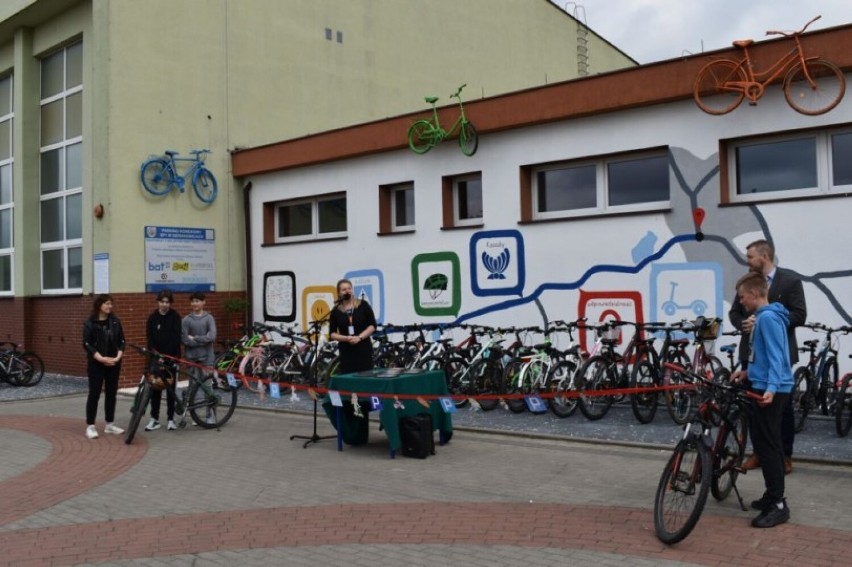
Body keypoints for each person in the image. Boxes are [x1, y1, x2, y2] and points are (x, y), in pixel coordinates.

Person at [729, 239, 805, 474]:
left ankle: (784, 455)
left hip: (779, 353)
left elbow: (799, 314)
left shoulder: (790, 280)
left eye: (750, 256)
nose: (747, 261)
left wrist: (767, 321)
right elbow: (735, 312)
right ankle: (759, 452)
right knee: (753, 405)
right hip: (751, 354)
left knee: (781, 409)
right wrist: (745, 323)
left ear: (764, 256)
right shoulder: (749, 284)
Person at [731, 272, 793, 528]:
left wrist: (771, 387)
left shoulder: (767, 319)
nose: (741, 302)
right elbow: (764, 356)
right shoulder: (764, 318)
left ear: (755, 294)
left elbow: (779, 357)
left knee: (768, 447)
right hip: (763, 384)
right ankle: (771, 496)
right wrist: (747, 371)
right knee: (768, 443)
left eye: (743, 297)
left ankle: (778, 504)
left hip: (771, 391)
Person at [82, 294, 126, 439]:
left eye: (111, 304)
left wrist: (118, 356)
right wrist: (100, 358)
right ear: (99, 305)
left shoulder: (115, 321)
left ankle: (109, 425)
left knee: (111, 394)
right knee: (94, 393)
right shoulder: (90, 323)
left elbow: (122, 341)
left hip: (113, 362)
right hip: (96, 364)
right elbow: (86, 343)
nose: (110, 307)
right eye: (107, 304)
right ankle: (90, 426)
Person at [145, 290, 182, 431]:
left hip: (171, 359)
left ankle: (171, 419)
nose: (164, 304)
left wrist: (169, 357)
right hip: (156, 359)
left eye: (167, 302)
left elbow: (176, 338)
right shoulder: (152, 318)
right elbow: (150, 338)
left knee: (171, 390)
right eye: (162, 302)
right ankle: (154, 419)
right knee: (156, 389)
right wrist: (156, 355)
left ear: (170, 303)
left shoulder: (175, 317)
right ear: (158, 302)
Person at [328, 279, 377, 373]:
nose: (347, 291)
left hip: (363, 348)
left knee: (365, 378)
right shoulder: (336, 311)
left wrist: (359, 337)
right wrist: (346, 338)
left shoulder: (363, 305)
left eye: (349, 288)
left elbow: (372, 325)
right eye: (344, 289)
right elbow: (332, 334)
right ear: (339, 293)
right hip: (346, 351)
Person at [182, 292, 217, 394]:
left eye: (197, 301)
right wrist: (203, 340)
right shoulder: (186, 320)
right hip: (191, 359)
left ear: (203, 302)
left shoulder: (209, 318)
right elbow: (185, 340)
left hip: (207, 359)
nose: (194, 303)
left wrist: (195, 338)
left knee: (208, 387)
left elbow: (212, 337)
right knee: (192, 387)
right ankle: (193, 409)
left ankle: (210, 409)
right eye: (192, 301)